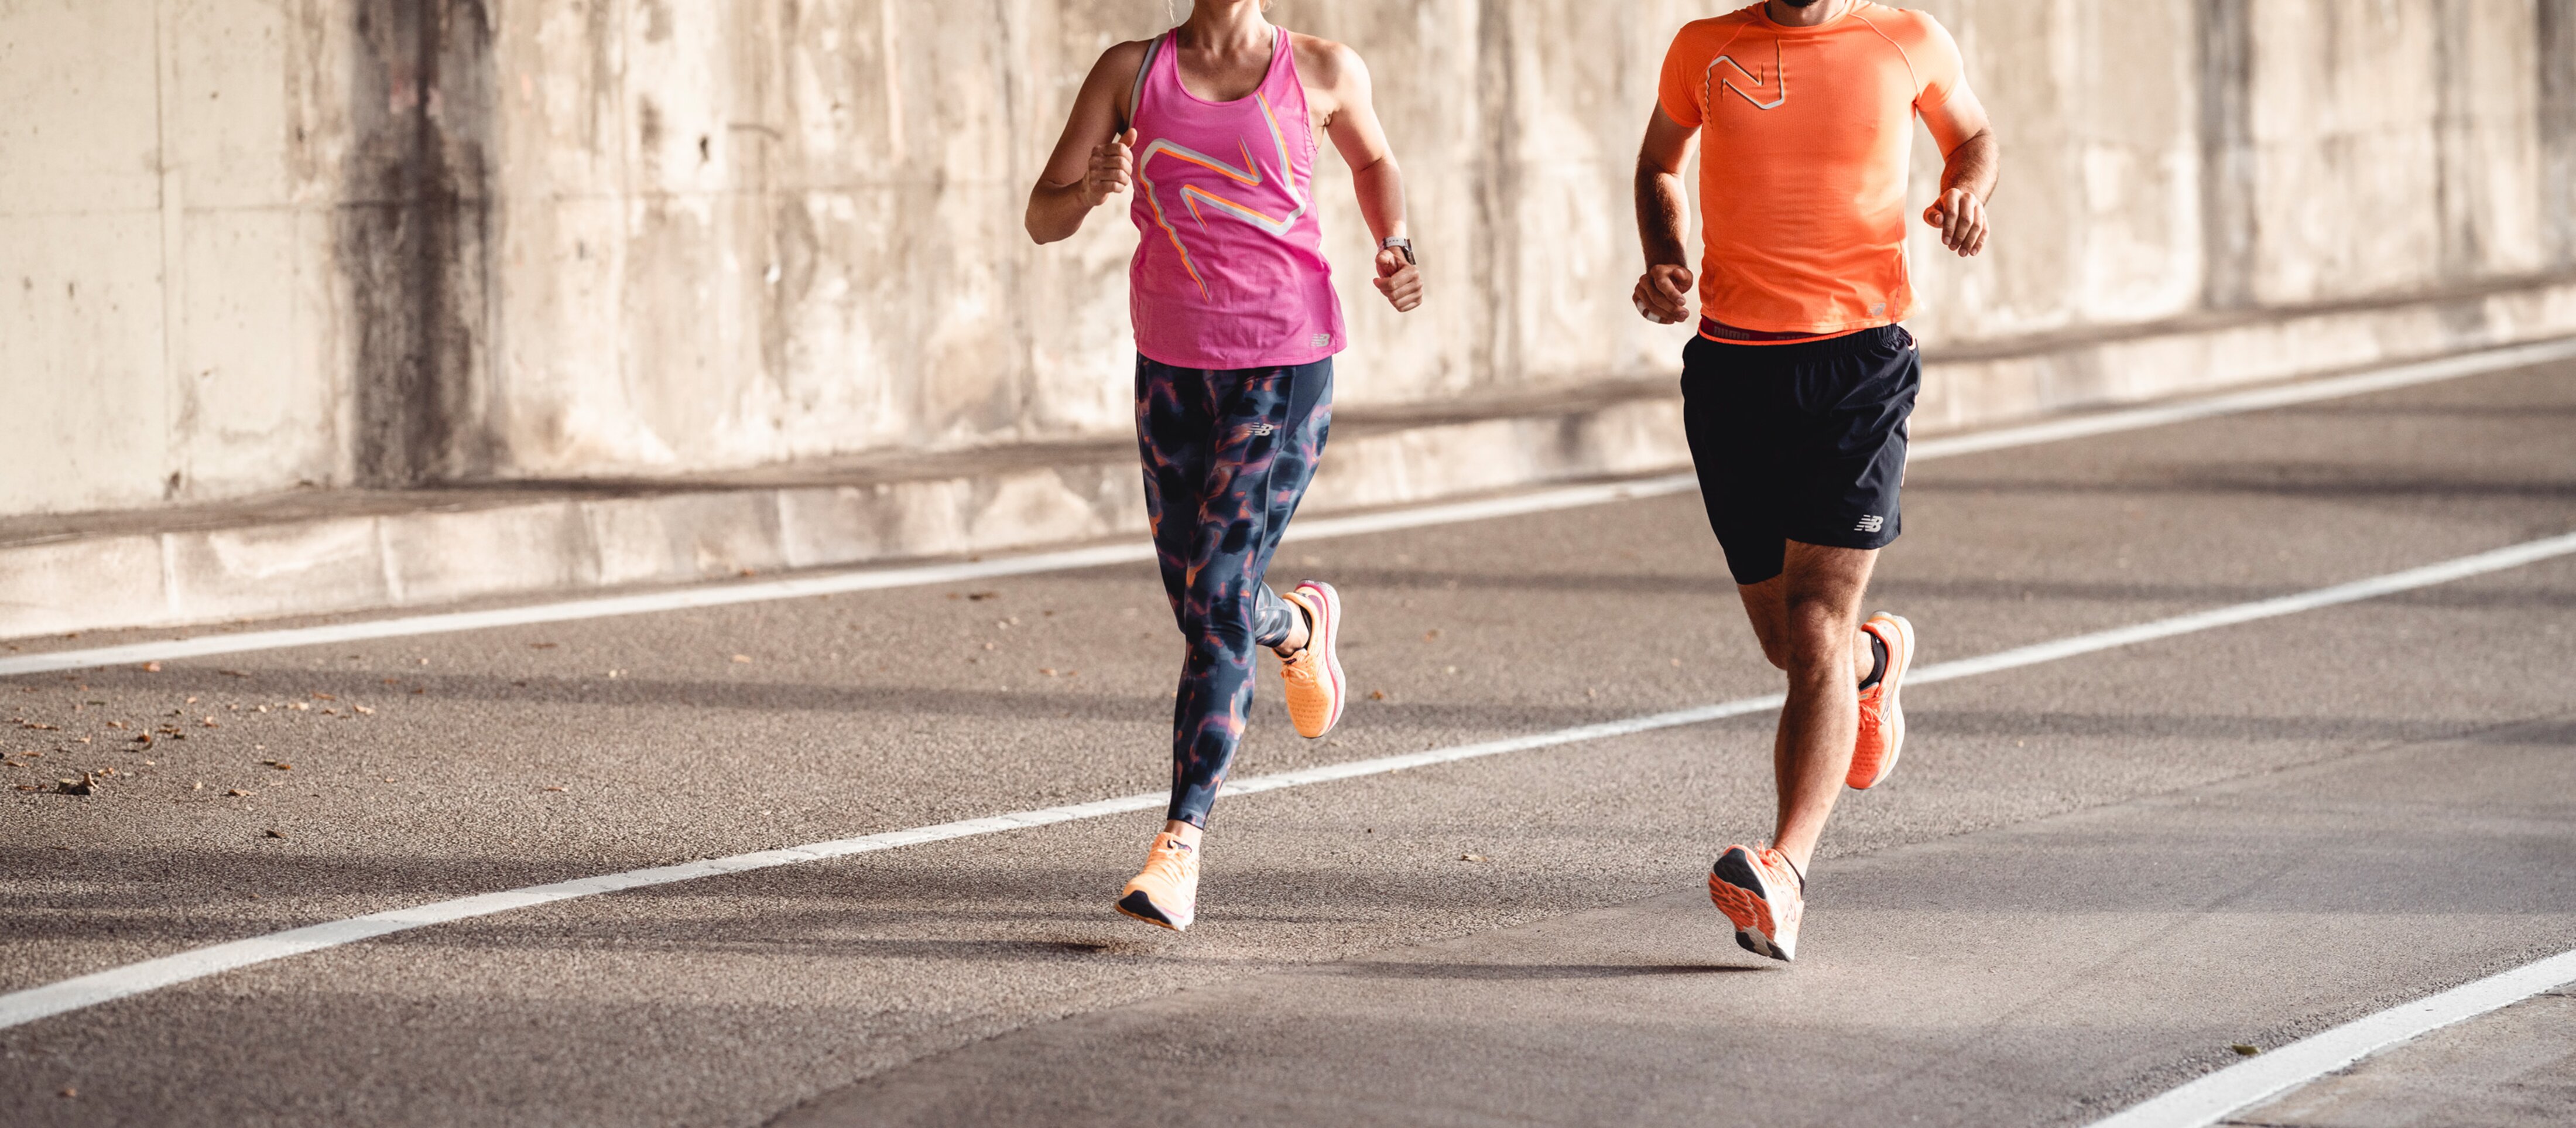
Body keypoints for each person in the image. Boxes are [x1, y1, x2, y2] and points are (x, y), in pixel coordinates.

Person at [1027, 0, 1423, 932]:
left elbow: (1373, 160)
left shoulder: (1322, 69)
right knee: (1206, 599)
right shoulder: (1130, 73)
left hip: (1283, 365)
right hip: (1170, 368)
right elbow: (1041, 217)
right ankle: (1295, 622)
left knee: (1213, 604)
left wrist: (1393, 240)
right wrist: (1090, 188)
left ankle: (1179, 845)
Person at [1632, 0, 1998, 961]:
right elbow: (1660, 163)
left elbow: (1974, 134)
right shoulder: (1702, 48)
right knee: (1786, 646)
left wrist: (1967, 190)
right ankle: (1875, 667)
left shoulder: (1905, 39)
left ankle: (1786, 870)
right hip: (1729, 369)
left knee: (1813, 624)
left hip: (1858, 364)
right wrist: (1666, 257)